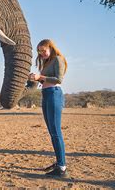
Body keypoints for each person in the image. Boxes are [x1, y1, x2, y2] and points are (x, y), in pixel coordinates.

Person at [29, 39, 68, 178]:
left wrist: (41, 76)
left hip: (54, 94)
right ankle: (59, 163)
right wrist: (36, 78)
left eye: (43, 50)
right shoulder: (46, 62)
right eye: (39, 51)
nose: (42, 53)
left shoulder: (58, 59)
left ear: (50, 48)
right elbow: (45, 79)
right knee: (52, 132)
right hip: (46, 95)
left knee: (56, 132)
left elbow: (58, 79)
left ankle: (62, 168)